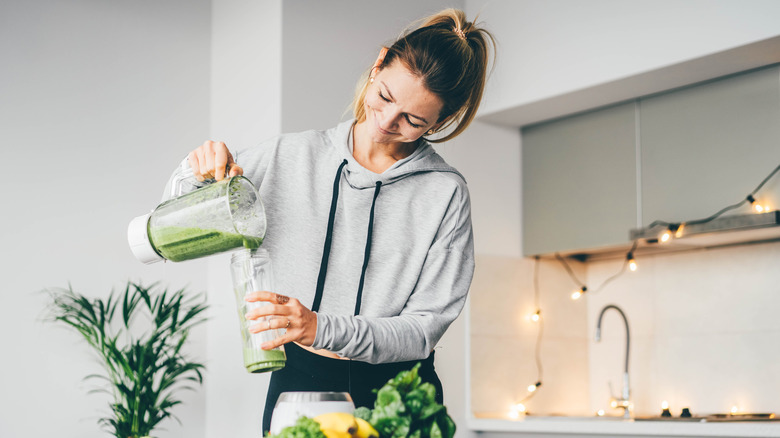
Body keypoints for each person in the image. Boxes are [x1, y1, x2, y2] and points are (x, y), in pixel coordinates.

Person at [175, 8, 495, 433]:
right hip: (299, 383)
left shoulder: (444, 193)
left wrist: (318, 326)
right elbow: (177, 221)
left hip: (400, 393)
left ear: (442, 121)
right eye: (384, 96)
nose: (385, 123)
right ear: (379, 62)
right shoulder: (287, 157)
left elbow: (422, 331)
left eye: (413, 121)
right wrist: (196, 171)